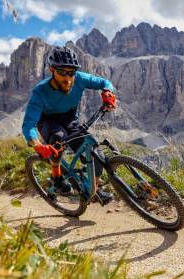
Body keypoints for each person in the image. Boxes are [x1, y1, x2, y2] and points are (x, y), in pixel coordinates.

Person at [21, 45, 116, 205]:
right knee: (58, 140)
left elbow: (104, 82)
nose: (68, 78)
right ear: (52, 70)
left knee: (95, 153)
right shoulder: (40, 91)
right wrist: (37, 144)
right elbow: (28, 124)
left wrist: (107, 92)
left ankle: (94, 189)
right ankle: (56, 178)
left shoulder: (79, 78)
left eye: (71, 72)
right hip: (48, 122)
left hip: (70, 120)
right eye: (62, 72)